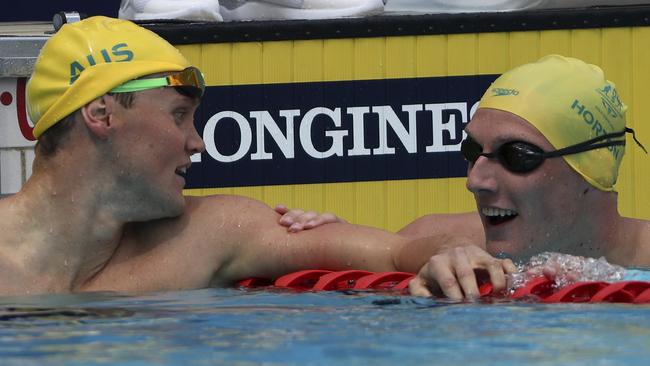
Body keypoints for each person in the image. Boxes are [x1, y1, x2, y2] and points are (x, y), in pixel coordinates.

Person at [0, 16, 495, 296]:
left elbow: (396, 251)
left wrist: (448, 253)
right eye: (178, 115)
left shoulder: (208, 234)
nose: (197, 142)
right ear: (103, 114)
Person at [279, 55, 650, 300]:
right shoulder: (436, 241)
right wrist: (339, 243)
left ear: (590, 169)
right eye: (472, 152)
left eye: (517, 156)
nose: (476, 180)